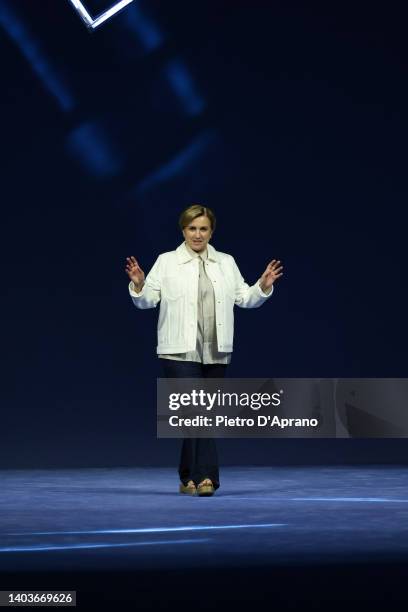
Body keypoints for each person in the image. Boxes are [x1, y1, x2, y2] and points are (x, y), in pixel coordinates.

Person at [125, 204, 283, 497]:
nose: (197, 235)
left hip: (217, 351)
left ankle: (187, 477)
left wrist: (262, 286)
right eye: (192, 228)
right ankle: (206, 477)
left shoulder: (226, 262)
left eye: (203, 229)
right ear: (183, 230)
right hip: (177, 351)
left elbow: (244, 298)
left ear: (211, 231)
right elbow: (147, 301)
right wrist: (139, 284)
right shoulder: (167, 261)